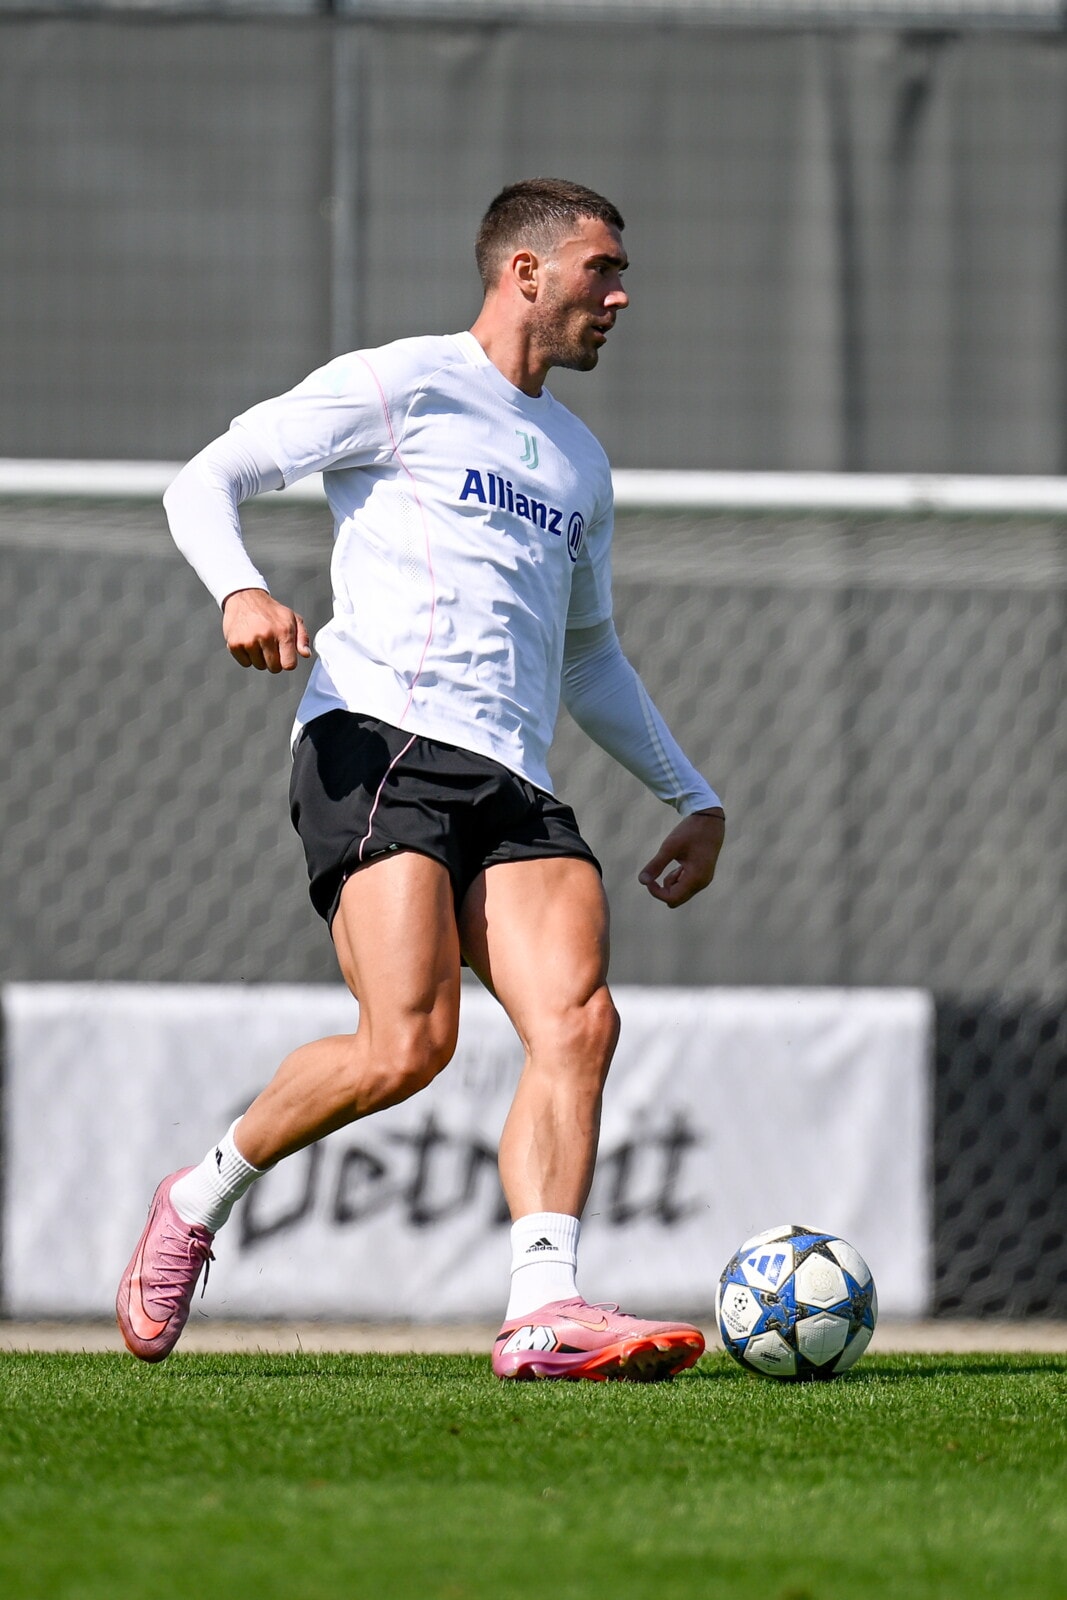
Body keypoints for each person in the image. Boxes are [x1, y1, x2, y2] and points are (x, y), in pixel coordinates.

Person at [117, 178, 725, 1381]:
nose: (618, 296)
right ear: (524, 273)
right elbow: (205, 480)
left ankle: (542, 1306)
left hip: (512, 776)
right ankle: (195, 1200)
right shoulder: (402, 382)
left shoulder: (580, 462)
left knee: (580, 1020)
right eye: (600, 269)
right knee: (405, 1045)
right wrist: (240, 589)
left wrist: (690, 795)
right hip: (379, 740)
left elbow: (587, 656)